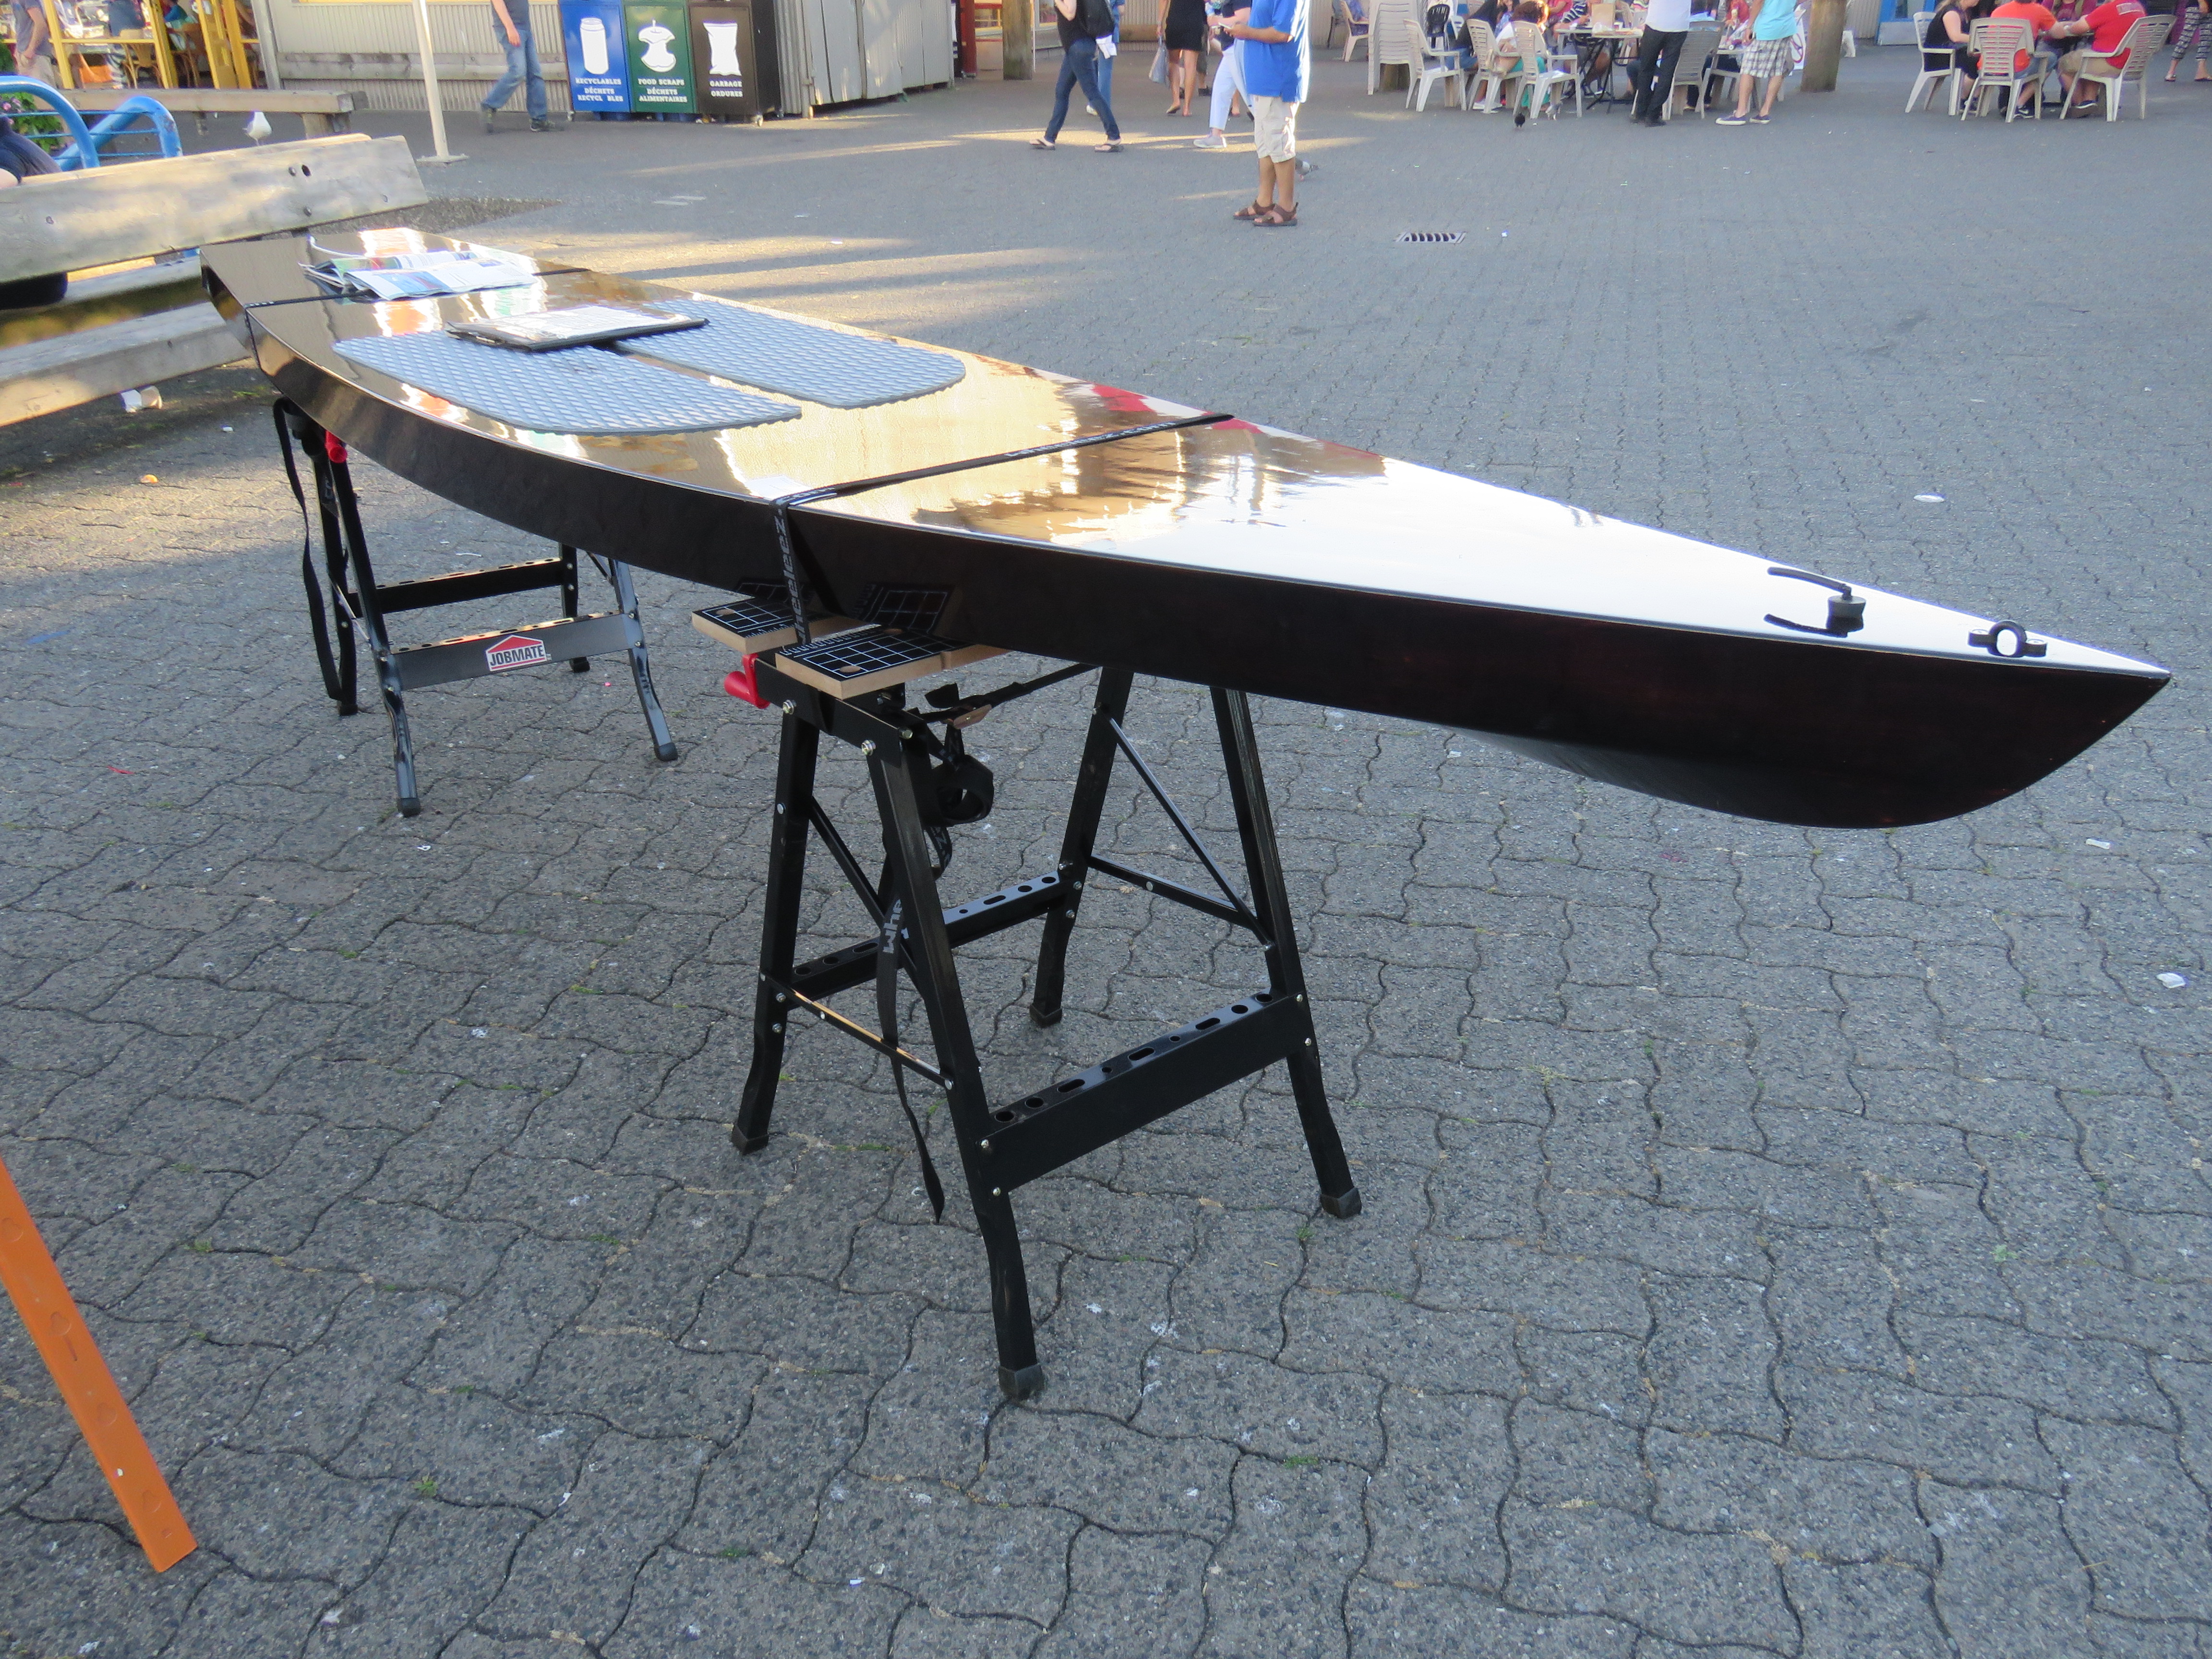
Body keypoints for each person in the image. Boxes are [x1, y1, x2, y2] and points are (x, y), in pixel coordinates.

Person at [1221, 0, 1305, 225]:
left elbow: (1284, 33)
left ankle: (1287, 208)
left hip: (1278, 77)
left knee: (1278, 140)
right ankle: (1264, 201)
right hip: (1264, 77)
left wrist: (1246, 32)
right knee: (1266, 142)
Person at [1032, 0, 1123, 149]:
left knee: (1092, 92)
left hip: (1078, 47)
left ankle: (1114, 136)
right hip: (1075, 48)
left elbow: (1070, 13)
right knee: (1062, 91)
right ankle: (1049, 137)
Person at [0, 115, 65, 310]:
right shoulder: (17, 143)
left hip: (28, 282)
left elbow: (6, 175)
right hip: (44, 278)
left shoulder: (5, 150)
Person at [2050, 0, 2144, 107]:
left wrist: (2069, 25)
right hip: (2134, 63)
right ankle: (2089, 101)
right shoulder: (2137, 6)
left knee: (2064, 63)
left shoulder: (2109, 9)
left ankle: (2080, 105)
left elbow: (2078, 29)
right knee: (2090, 56)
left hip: (2111, 62)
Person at [1716, 0, 1797, 120]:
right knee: (1777, 69)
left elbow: (1758, 2)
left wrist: (1749, 26)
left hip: (1767, 27)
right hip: (1786, 26)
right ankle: (1765, 112)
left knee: (1748, 69)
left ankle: (1741, 112)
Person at [480, 0, 553, 133]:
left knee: (535, 74)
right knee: (518, 71)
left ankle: (539, 120)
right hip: (511, 28)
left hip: (525, 28)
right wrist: (510, 28)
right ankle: (489, 104)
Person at [1628, 0, 1693, 124]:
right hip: (1679, 25)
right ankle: (1653, 114)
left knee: (1646, 68)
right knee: (1667, 72)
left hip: (1656, 23)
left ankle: (1641, 111)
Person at [1197, 0, 1249, 146]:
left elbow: (1244, 18)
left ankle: (1271, 134)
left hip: (1238, 47)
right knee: (1221, 90)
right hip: (1231, 48)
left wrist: (1218, 20)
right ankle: (1216, 135)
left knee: (1249, 94)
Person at [1164, 0, 1208, 112]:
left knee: (1173, 62)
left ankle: (1176, 100)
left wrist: (1159, 23)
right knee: (1191, 66)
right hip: (1195, 20)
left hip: (1175, 18)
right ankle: (1187, 108)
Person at [2169, 0, 2211, 75]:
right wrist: (2201, 2)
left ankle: (2201, 71)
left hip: (2209, 9)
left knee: (2206, 40)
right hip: (2196, 7)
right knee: (2186, 38)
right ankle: (2171, 71)